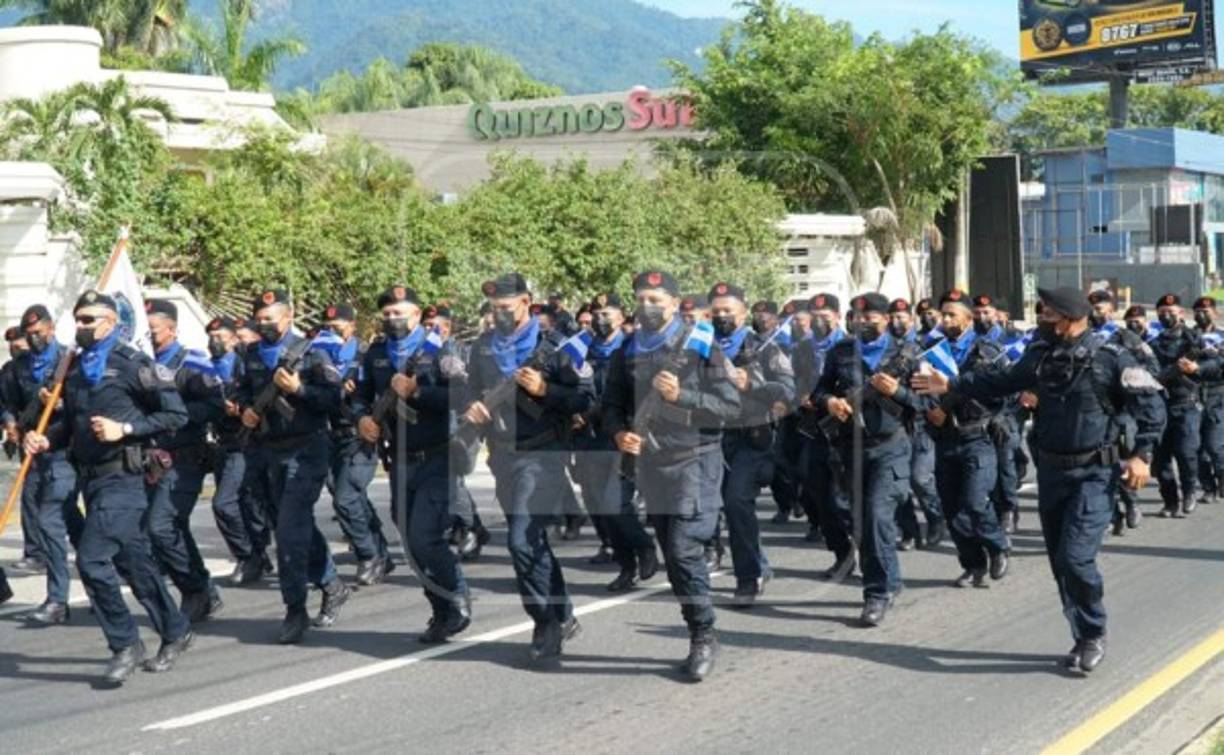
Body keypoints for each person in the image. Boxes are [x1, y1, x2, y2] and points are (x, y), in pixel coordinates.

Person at [913, 286, 1165, 673]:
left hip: (1094, 474)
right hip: (1051, 472)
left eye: (1047, 314)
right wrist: (952, 385)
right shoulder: (1039, 355)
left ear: (1069, 318)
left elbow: (1151, 406)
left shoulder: (1111, 358)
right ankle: (1081, 632)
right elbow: (999, 381)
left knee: (1076, 557)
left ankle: (1093, 632)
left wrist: (1142, 455)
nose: (1041, 320)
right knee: (1060, 563)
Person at [23, 290, 193, 684]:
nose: (79, 327)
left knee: (92, 560)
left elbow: (175, 415)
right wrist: (48, 439)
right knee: (132, 563)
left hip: (126, 478)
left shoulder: (133, 365)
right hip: (92, 479)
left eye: (88, 320)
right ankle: (175, 628)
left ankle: (124, 645)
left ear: (111, 323)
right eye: (77, 320)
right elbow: (74, 426)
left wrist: (127, 429)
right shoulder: (77, 368)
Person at [603, 270, 741, 681]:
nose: (647, 307)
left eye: (656, 300)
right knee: (672, 554)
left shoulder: (701, 345)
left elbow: (730, 405)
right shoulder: (626, 350)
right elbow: (610, 404)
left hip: (695, 460)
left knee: (682, 548)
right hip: (651, 463)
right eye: (641, 299)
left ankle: (703, 633)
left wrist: (680, 395)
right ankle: (697, 623)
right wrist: (619, 433)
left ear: (674, 302)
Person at [462, 273, 594, 662]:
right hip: (503, 456)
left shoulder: (556, 346)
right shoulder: (484, 347)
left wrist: (544, 391)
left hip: (543, 456)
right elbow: (470, 389)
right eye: (495, 308)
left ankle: (545, 621)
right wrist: (470, 406)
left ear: (526, 302)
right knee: (531, 542)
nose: (500, 313)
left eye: (507, 306)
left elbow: (585, 400)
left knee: (520, 539)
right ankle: (564, 612)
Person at [354, 285, 470, 643]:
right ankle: (439, 610)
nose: (393, 319)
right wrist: (362, 419)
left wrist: (417, 392)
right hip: (400, 461)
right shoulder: (374, 353)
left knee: (425, 536)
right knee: (410, 541)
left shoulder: (441, 350)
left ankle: (457, 594)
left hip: (438, 456)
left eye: (400, 312)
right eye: (387, 313)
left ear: (418, 315)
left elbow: (462, 395)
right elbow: (358, 397)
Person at [237, 289, 350, 644]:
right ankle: (331, 581)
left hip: (307, 450)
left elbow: (333, 399)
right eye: (260, 318)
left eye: (271, 318)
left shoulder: (313, 352)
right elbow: (239, 390)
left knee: (288, 528)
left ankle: (294, 609)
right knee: (291, 524)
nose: (264, 324)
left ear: (289, 318)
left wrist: (300, 389)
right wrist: (246, 409)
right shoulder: (250, 354)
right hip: (268, 451)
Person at [813, 293, 925, 626]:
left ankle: (875, 594)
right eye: (858, 317)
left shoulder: (909, 354)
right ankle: (890, 580)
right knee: (864, 523)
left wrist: (898, 392)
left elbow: (926, 405)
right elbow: (817, 391)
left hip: (891, 447)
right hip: (851, 450)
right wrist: (829, 402)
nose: (863, 322)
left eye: (871, 317)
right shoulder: (841, 352)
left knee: (877, 516)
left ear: (886, 319)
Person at [711, 285, 794, 608]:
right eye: (716, 310)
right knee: (717, 507)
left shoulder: (764, 347)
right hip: (711, 438)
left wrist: (753, 385)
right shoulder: (699, 347)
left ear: (743, 313)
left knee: (736, 501)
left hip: (752, 438)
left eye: (728, 310)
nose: (721, 316)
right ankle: (758, 563)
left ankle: (748, 578)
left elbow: (787, 389)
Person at [571, 292, 659, 591]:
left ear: (623, 317)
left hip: (624, 434)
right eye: (596, 313)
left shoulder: (633, 348)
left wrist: (594, 413)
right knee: (598, 506)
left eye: (607, 313)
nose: (600, 318)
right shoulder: (580, 349)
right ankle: (625, 564)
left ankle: (643, 546)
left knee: (616, 503)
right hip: (588, 438)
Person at [144, 299, 225, 622]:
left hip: (184, 458)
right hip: (149, 461)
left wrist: (173, 416)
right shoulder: (140, 363)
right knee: (167, 527)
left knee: (161, 526)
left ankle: (194, 590)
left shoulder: (193, 362)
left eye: (153, 330)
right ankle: (203, 587)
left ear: (172, 329)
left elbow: (214, 406)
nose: (148, 336)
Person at [922, 290, 1010, 587]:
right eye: (943, 314)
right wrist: (932, 409)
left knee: (974, 502)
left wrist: (1000, 416)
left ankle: (998, 546)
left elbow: (1007, 389)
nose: (945, 320)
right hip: (945, 438)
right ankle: (973, 565)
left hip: (978, 437)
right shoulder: (931, 349)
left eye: (951, 315)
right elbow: (918, 387)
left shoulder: (987, 350)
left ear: (968, 318)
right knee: (952, 510)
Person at [2, 304, 83, 624]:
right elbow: (5, 402)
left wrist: (61, 404)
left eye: (38, 333)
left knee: (50, 519)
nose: (34, 339)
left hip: (64, 450)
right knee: (62, 518)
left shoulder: (68, 362)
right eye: (29, 334)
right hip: (32, 452)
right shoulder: (17, 368)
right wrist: (9, 422)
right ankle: (90, 573)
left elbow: (86, 402)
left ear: (51, 329)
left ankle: (58, 598)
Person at [318, 303, 393, 586]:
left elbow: (382, 393)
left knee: (346, 498)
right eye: (327, 328)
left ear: (351, 327)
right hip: (330, 436)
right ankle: (381, 553)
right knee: (350, 498)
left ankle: (368, 556)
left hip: (360, 436)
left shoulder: (366, 355)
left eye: (336, 328)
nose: (331, 333)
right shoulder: (319, 354)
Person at [204, 316, 269, 584]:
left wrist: (240, 409)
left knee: (226, 503)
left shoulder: (242, 365)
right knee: (241, 503)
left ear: (233, 339)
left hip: (245, 442)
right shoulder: (207, 367)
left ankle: (249, 555)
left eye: (221, 337)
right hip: (221, 443)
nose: (214, 342)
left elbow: (255, 399)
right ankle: (256, 556)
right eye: (211, 337)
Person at [1150, 293, 1217, 517]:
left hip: (1187, 404)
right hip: (1160, 406)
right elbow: (1149, 373)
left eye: (1172, 312)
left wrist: (1195, 369)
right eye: (1162, 313)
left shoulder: (1194, 340)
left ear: (1181, 313)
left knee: (1187, 453)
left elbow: (1214, 365)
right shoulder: (1153, 343)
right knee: (1161, 460)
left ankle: (1189, 492)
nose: (1167, 316)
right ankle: (1170, 501)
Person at [889, 298, 945, 551]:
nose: (895, 322)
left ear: (911, 320)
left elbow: (931, 392)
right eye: (892, 317)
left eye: (901, 317)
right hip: (894, 427)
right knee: (898, 486)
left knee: (920, 479)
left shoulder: (924, 348)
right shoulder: (884, 348)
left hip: (920, 424)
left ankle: (935, 519)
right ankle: (909, 530)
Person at [1191, 296, 1224, 503]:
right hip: (1194, 394)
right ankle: (1208, 487)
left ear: (1215, 312)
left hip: (1217, 394)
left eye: (1206, 311)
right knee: (1196, 447)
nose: (1202, 314)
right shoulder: (1189, 336)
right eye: (1198, 311)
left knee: (1214, 444)